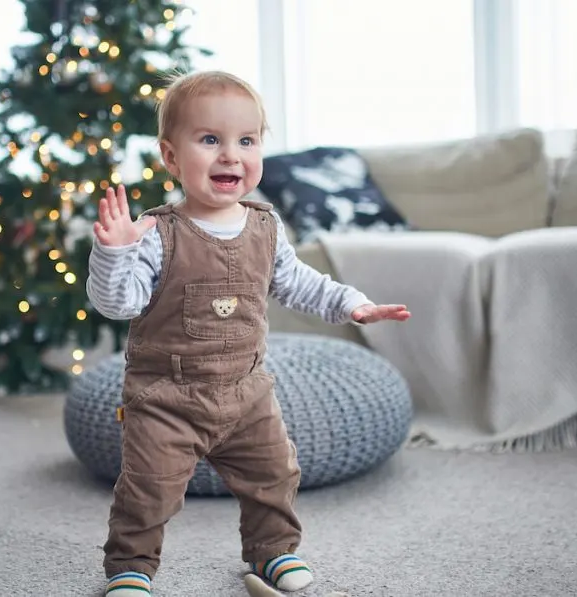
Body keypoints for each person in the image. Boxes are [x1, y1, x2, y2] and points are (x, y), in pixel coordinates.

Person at [86, 70, 410, 596]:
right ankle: (131, 567)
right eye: (210, 140)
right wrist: (114, 251)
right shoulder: (154, 233)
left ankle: (272, 553)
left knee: (274, 479)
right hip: (166, 396)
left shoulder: (265, 225)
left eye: (247, 141)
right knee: (148, 489)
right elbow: (117, 302)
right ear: (171, 157)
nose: (231, 155)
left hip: (247, 392)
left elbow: (298, 283)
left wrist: (354, 303)